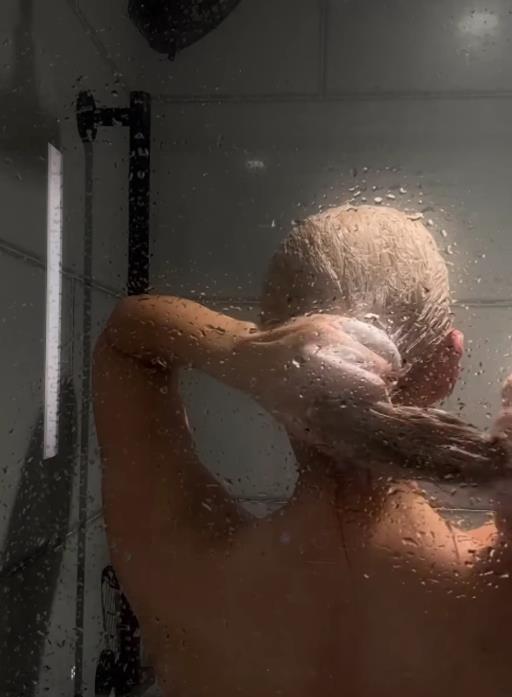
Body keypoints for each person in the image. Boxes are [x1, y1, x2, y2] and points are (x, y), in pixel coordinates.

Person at [93, 205, 512, 697]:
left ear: (274, 368)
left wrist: (239, 351)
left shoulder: (183, 568)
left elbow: (127, 337)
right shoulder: (498, 591)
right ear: (448, 363)